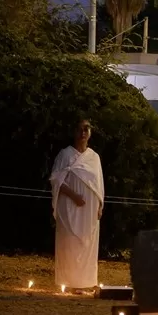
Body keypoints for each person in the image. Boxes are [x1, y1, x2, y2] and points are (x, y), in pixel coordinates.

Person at [49, 119, 104, 292]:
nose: (83, 133)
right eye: (79, 129)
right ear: (74, 132)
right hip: (69, 205)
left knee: (87, 243)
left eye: (86, 129)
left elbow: (99, 184)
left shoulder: (94, 157)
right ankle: (69, 282)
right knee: (70, 241)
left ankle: (85, 282)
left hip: (89, 210)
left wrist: (100, 205)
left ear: (90, 133)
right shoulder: (65, 155)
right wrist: (74, 196)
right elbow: (56, 179)